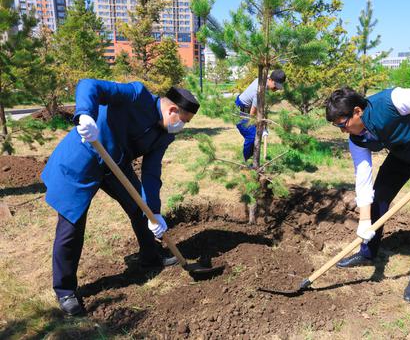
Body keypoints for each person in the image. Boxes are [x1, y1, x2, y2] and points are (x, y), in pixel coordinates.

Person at [41, 79, 200, 315]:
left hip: (115, 166)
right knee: (71, 226)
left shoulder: (165, 133)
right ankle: (65, 291)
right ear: (173, 110)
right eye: (184, 121)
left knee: (140, 208)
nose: (182, 127)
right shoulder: (137, 95)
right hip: (83, 158)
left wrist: (154, 212)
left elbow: (151, 172)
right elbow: (89, 86)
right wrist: (85, 115)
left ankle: (151, 256)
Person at [325, 87, 410, 302]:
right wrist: (364, 220)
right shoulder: (356, 139)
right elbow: (363, 176)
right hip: (399, 157)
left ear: (357, 111)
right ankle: (367, 253)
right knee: (378, 199)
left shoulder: (392, 100)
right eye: (337, 126)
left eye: (343, 124)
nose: (342, 131)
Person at [235, 69, 286, 162]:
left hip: (246, 107)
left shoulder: (265, 79)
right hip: (242, 111)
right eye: (276, 85)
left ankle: (252, 161)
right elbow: (252, 114)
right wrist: (259, 125)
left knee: (255, 135)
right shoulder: (259, 90)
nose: (277, 89)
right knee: (252, 136)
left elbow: (260, 107)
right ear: (270, 80)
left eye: (279, 87)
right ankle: (246, 161)